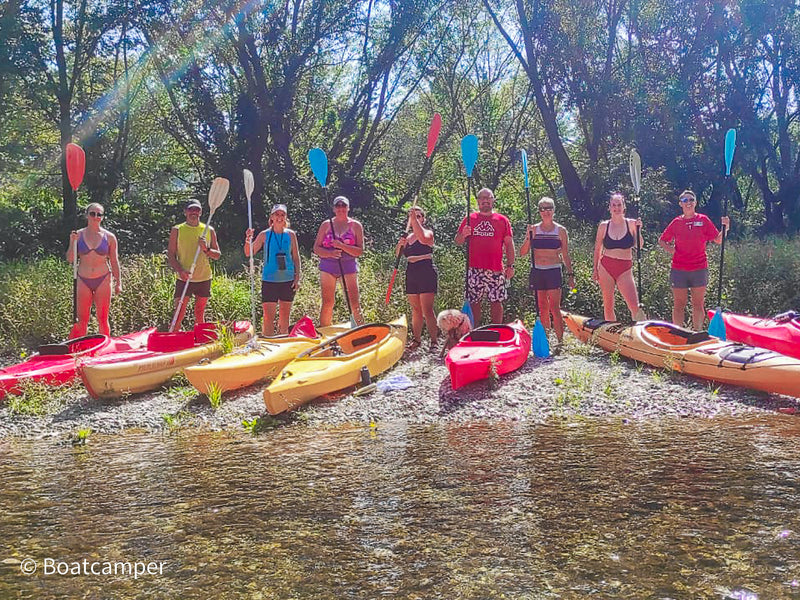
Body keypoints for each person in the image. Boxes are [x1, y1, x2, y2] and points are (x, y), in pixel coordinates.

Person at [658, 190, 730, 330]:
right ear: (680, 204)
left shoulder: (703, 220)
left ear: (696, 202)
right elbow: (662, 240)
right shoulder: (677, 222)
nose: (688, 203)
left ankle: (697, 332)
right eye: (685, 200)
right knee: (679, 304)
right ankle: (678, 332)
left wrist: (725, 228)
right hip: (679, 269)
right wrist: (672, 250)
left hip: (699, 268)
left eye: (691, 200)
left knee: (698, 304)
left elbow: (718, 240)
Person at [454, 188, 515, 325]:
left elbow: (509, 244)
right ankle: (475, 329)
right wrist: (463, 234)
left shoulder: (502, 220)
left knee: (496, 301)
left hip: (496, 268)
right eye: (482, 198)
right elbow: (458, 241)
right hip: (474, 268)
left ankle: (497, 329)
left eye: (488, 198)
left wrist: (510, 265)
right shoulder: (469, 219)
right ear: (478, 201)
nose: (485, 200)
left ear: (493, 200)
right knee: (474, 301)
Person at [519, 197, 574, 343]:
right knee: (542, 306)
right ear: (539, 211)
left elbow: (565, 254)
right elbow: (522, 252)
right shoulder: (534, 229)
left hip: (553, 270)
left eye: (549, 208)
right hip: (537, 270)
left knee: (554, 307)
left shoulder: (561, 231)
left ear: (554, 210)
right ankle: (546, 339)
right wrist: (528, 238)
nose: (546, 211)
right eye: (543, 209)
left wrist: (570, 275)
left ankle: (560, 341)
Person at [66, 203, 122, 338]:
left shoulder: (109, 237)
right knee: (82, 320)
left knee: (103, 318)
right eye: (92, 214)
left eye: (99, 214)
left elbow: (114, 261)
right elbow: (70, 259)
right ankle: (79, 347)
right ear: (87, 215)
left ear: (102, 217)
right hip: (83, 279)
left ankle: (105, 346)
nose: (96, 217)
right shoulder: (78, 235)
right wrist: (72, 242)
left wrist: (119, 282)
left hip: (103, 278)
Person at [245, 204, 302, 336]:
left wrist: (297, 277)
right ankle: (268, 341)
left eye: (282, 215)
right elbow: (249, 252)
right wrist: (248, 239)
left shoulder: (291, 235)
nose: (279, 217)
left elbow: (296, 257)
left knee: (284, 318)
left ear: (286, 217)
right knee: (268, 318)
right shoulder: (264, 235)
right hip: (270, 280)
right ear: (272, 217)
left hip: (288, 280)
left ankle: (283, 342)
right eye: (277, 214)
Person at [167, 199, 220, 328]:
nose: (194, 212)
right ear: (185, 212)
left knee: (199, 312)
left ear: (200, 212)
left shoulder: (209, 230)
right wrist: (180, 271)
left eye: (196, 210)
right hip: (184, 277)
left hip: (203, 277)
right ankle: (174, 335)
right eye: (191, 209)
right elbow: (171, 255)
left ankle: (200, 337)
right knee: (179, 313)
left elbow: (217, 255)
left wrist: (206, 249)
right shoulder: (177, 230)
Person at [313, 195, 364, 326]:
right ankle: (324, 330)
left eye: (343, 205)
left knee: (354, 303)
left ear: (348, 208)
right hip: (328, 267)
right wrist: (330, 253)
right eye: (338, 206)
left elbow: (359, 251)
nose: (341, 208)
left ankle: (359, 329)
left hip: (348, 267)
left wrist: (342, 246)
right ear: (334, 209)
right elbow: (316, 248)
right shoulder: (326, 225)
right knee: (328, 302)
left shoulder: (356, 226)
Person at [592, 193, 644, 321]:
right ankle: (611, 329)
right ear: (609, 207)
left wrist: (639, 230)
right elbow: (597, 249)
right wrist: (595, 269)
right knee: (608, 305)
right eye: (614, 205)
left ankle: (641, 328)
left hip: (625, 268)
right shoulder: (604, 226)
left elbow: (639, 245)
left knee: (635, 306)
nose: (616, 208)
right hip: (606, 267)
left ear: (624, 206)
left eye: (619, 205)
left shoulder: (631, 223)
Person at [395, 206, 439, 350]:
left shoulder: (428, 233)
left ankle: (434, 341)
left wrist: (414, 220)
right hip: (411, 271)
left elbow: (423, 238)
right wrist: (400, 245)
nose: (415, 218)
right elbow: (398, 255)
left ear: (423, 219)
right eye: (414, 216)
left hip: (425, 270)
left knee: (427, 309)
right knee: (416, 309)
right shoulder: (407, 237)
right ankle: (417, 339)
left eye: (419, 216)